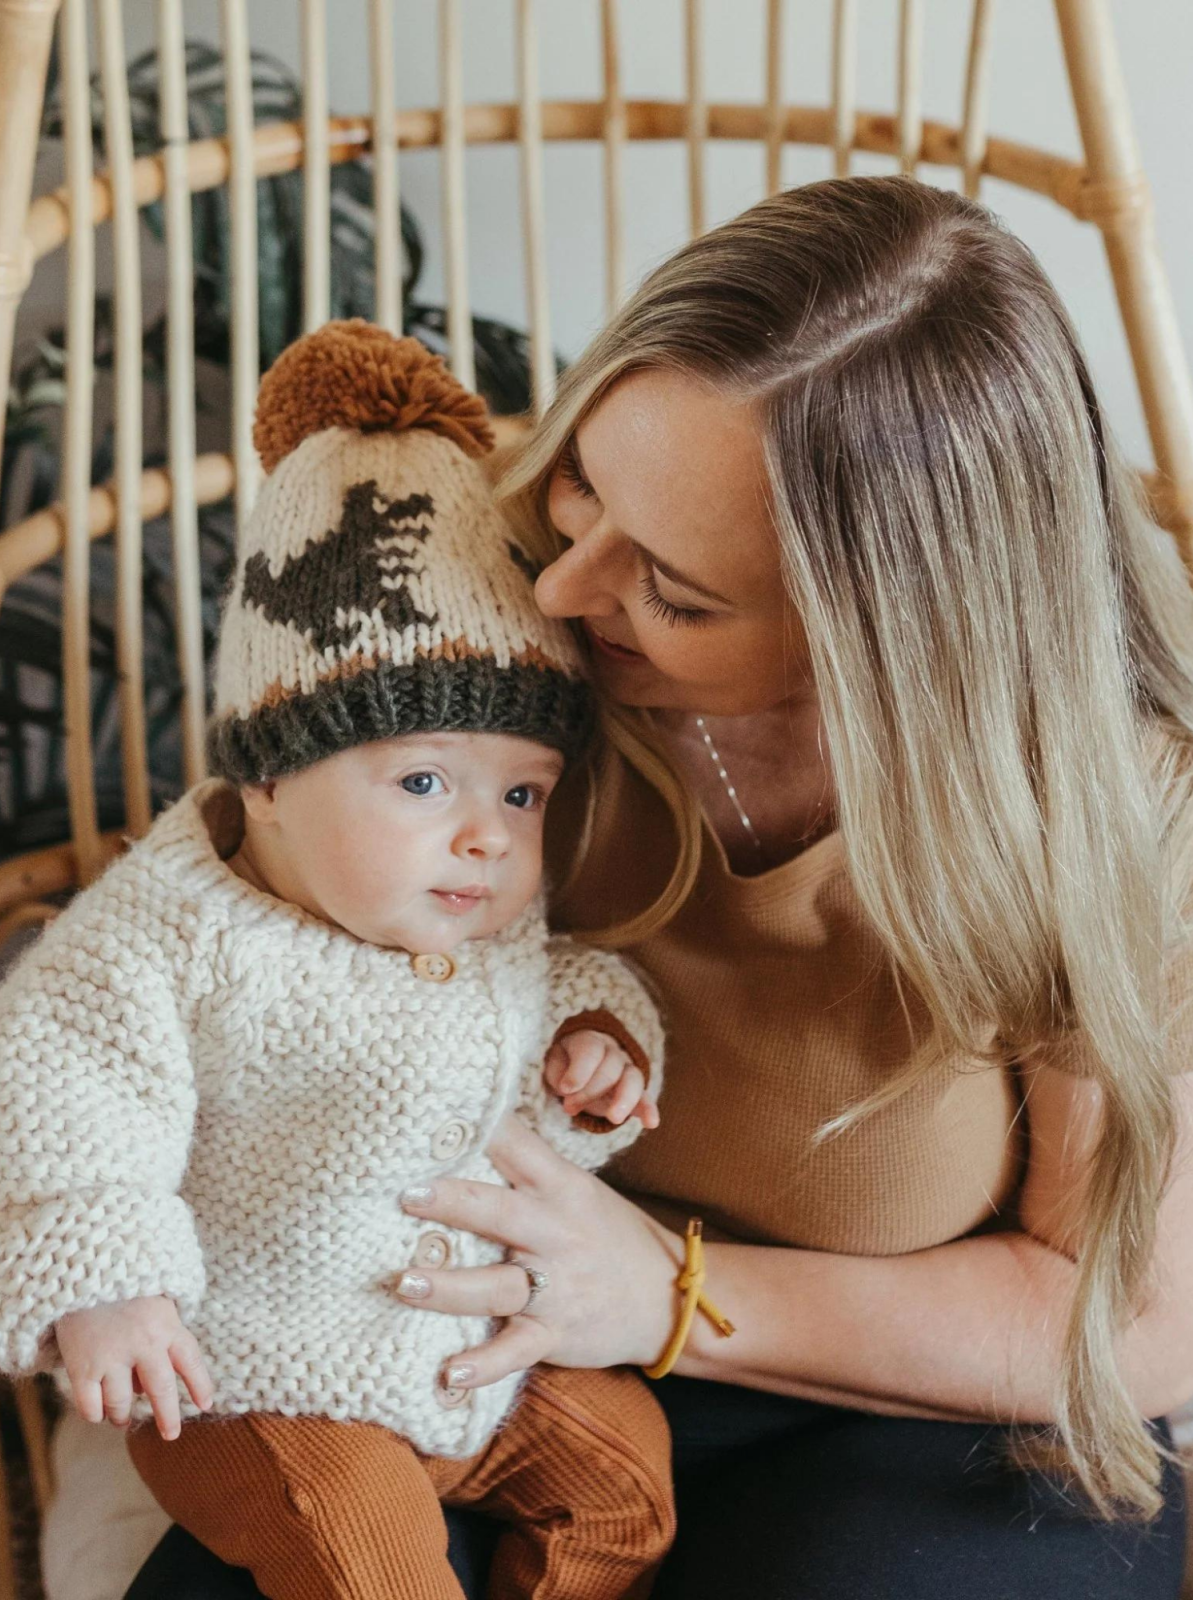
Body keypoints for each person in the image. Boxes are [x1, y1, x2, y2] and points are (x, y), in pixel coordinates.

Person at [124, 175, 1193, 1599]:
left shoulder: (1107, 798)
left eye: (677, 594)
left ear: (885, 643)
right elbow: (238, 903)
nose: (565, 588)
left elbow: (1129, 1325)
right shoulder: (475, 600)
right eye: (581, 481)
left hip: (913, 1411)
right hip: (445, 1334)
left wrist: (668, 1297)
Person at [0, 324, 682, 1599]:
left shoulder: (471, 907)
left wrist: (594, 1051)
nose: (485, 835)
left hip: (470, 1357)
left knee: (627, 1486)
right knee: (364, 1564)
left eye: (524, 794)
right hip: (252, 1378)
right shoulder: (174, 934)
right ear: (267, 774)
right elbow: (58, 1092)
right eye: (422, 780)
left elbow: (562, 983)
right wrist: (107, 1281)